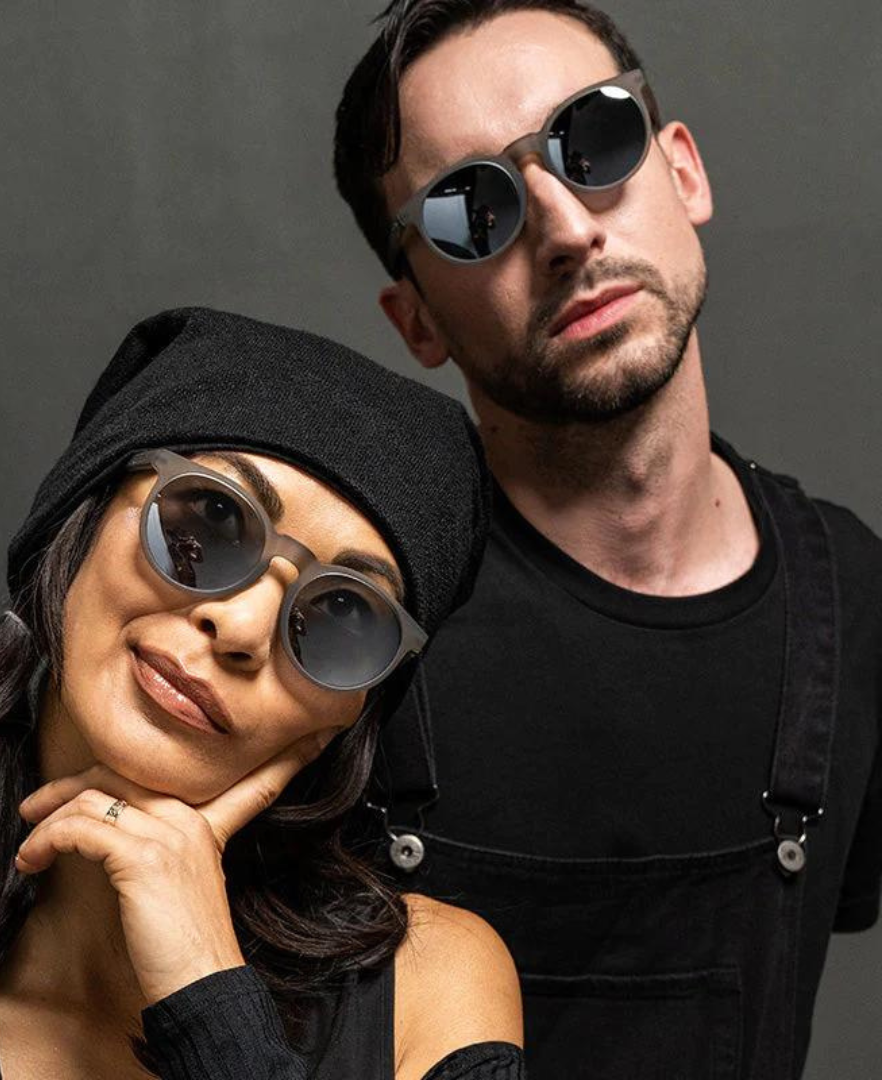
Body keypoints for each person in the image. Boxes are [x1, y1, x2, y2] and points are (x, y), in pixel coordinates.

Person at [333, 3, 882, 1078]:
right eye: (472, 209)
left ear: (684, 170)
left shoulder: (854, 603)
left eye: (594, 140)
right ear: (418, 321)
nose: (566, 232)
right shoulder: (350, 624)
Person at [0, 307, 526, 1079]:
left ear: (350, 715)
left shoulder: (433, 987)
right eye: (209, 520)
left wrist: (207, 996)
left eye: (343, 614)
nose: (241, 626)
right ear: (75, 527)